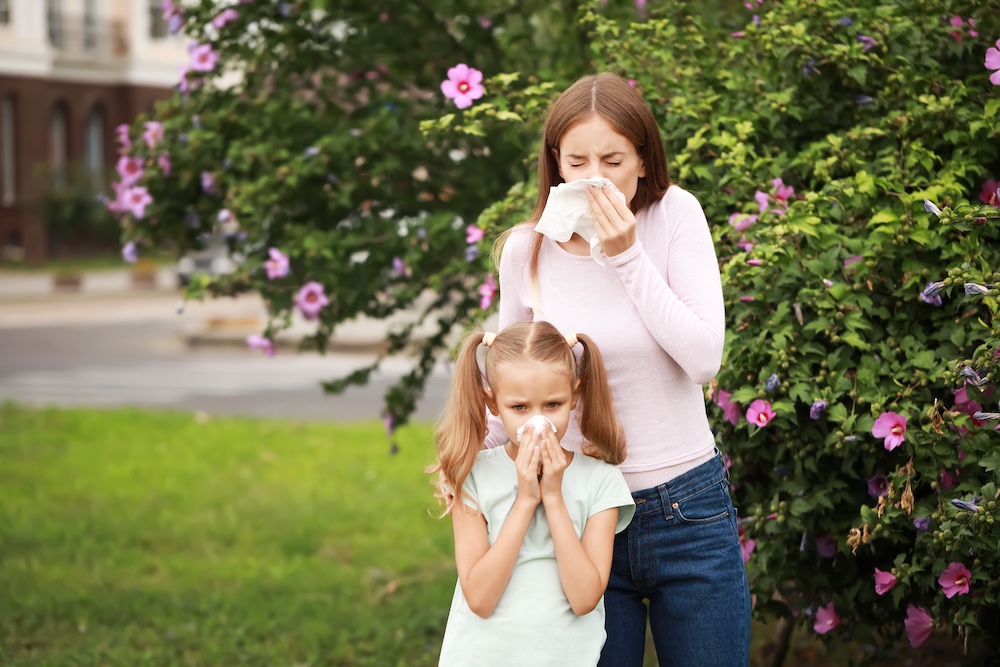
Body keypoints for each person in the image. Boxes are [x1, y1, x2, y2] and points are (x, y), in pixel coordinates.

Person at [487, 72, 751, 666]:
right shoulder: (526, 251)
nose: (592, 178)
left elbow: (704, 359)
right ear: (555, 165)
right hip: (581, 510)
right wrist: (466, 466)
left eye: (612, 159)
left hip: (688, 505)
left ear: (642, 160)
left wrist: (626, 254)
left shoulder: (674, 215)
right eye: (576, 162)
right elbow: (509, 387)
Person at [431, 321, 636, 667]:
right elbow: (479, 599)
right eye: (520, 408)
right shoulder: (474, 476)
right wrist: (526, 500)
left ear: (575, 396)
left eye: (553, 404)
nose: (538, 422)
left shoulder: (601, 482)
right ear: (493, 405)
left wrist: (553, 497)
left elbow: (585, 597)